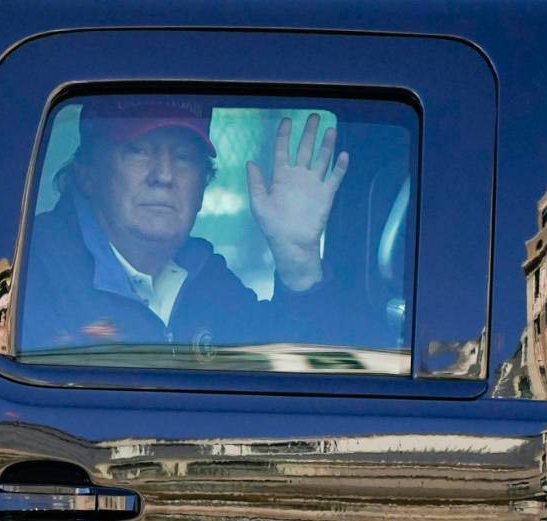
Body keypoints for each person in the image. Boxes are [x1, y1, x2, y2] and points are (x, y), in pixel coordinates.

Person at [19, 95, 350, 355]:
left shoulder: (204, 276)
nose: (163, 175)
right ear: (87, 173)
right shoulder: (33, 272)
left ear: (203, 185)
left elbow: (302, 379)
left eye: (183, 157)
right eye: (138, 151)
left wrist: (298, 262)